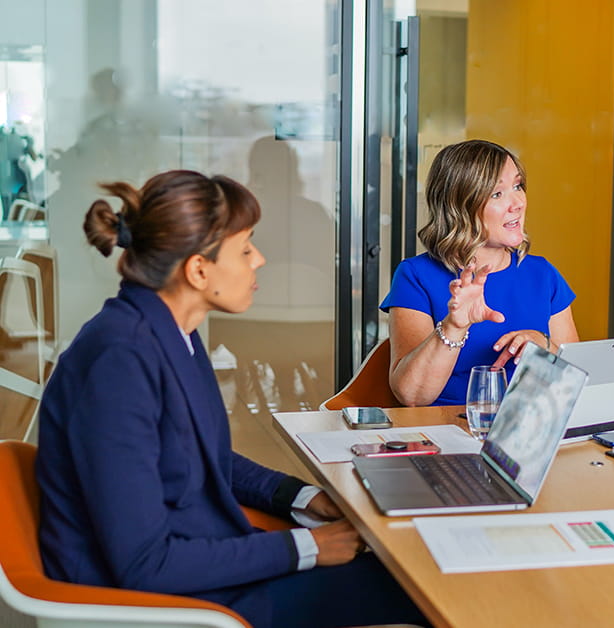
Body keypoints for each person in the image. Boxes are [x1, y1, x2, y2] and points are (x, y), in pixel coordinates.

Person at [35, 171, 425, 628]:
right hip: (163, 603)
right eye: (245, 248)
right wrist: (308, 548)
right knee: (414, 589)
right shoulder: (117, 362)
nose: (259, 260)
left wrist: (303, 497)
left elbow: (208, 458)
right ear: (199, 269)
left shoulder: (170, 330)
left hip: (199, 562)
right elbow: (144, 564)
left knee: (403, 567)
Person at [381, 139, 579, 406]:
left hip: (527, 430)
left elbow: (577, 381)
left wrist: (544, 345)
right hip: (445, 432)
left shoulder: (542, 274)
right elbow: (412, 396)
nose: (518, 203)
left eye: (518, 186)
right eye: (497, 194)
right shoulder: (416, 276)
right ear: (460, 207)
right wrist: (454, 327)